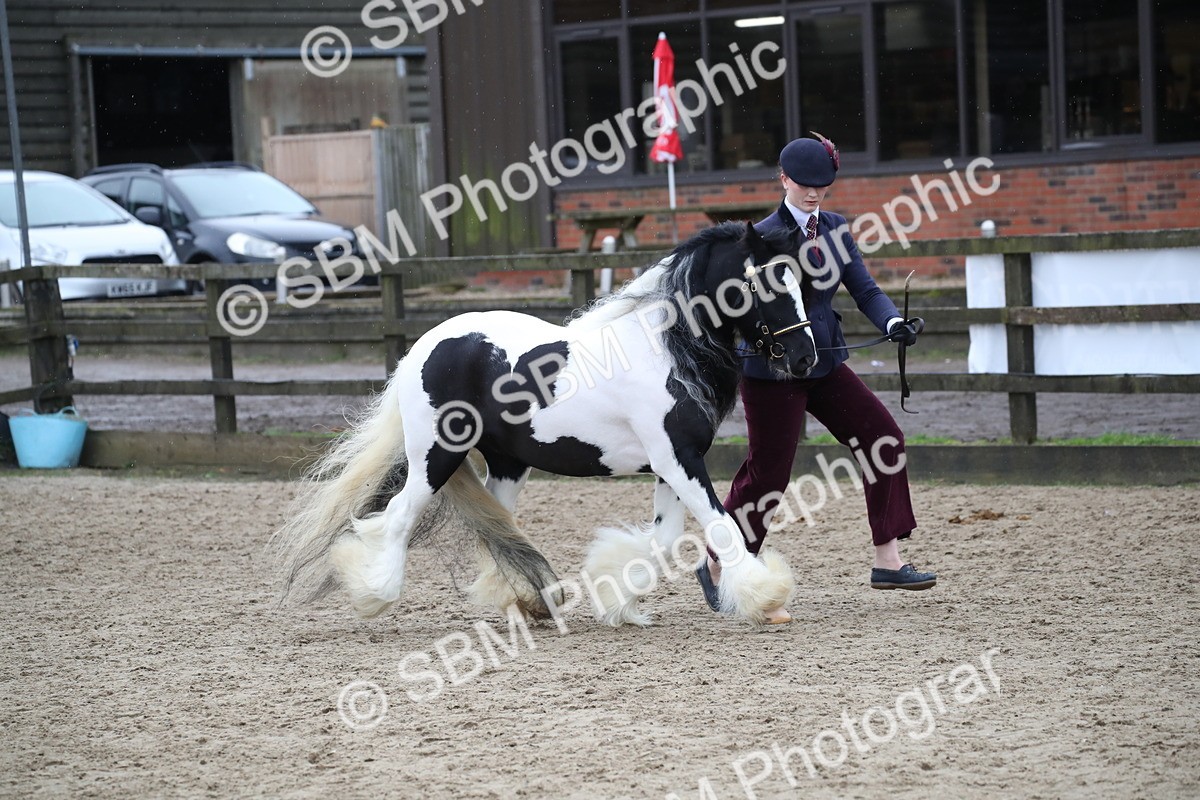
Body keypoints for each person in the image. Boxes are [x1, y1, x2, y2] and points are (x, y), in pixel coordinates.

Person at [696, 134, 936, 624]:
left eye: (822, 186)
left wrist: (892, 323)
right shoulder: (759, 237)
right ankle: (720, 560)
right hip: (773, 371)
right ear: (783, 179)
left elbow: (864, 288)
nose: (813, 194)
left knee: (882, 438)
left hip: (825, 363)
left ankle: (887, 560)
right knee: (768, 473)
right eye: (805, 185)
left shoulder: (836, 229)